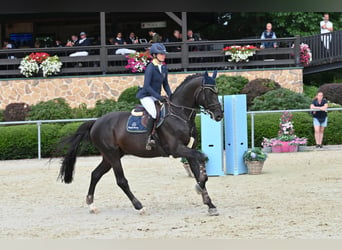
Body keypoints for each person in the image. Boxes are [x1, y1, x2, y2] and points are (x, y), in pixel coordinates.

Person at [136, 43, 172, 150]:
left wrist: (171, 96)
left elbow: (165, 84)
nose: (163, 56)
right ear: (155, 55)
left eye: (164, 54)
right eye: (161, 54)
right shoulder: (150, 68)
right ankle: (148, 138)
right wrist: (159, 97)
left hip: (155, 95)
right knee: (154, 113)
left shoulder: (164, 67)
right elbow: (147, 86)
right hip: (146, 95)